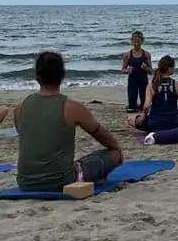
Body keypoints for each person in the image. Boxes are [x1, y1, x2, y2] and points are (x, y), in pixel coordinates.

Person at [15, 51, 124, 192]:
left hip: (25, 182)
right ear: (62, 75)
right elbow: (104, 137)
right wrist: (117, 149)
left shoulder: (19, 108)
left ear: (37, 76)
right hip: (62, 181)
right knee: (114, 154)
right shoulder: (71, 107)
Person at [126, 55, 178, 132]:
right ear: (169, 69)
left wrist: (143, 116)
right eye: (174, 67)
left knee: (130, 119)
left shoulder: (152, 84)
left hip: (154, 124)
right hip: (174, 123)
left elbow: (146, 106)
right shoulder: (176, 84)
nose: (174, 69)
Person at [121, 30, 153, 112]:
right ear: (131, 41)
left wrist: (146, 68)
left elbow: (151, 71)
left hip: (143, 79)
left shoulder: (146, 54)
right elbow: (122, 70)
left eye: (139, 41)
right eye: (135, 41)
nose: (137, 44)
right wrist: (127, 70)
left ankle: (141, 107)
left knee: (144, 105)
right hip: (132, 80)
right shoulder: (127, 55)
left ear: (142, 41)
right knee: (132, 108)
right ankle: (133, 107)